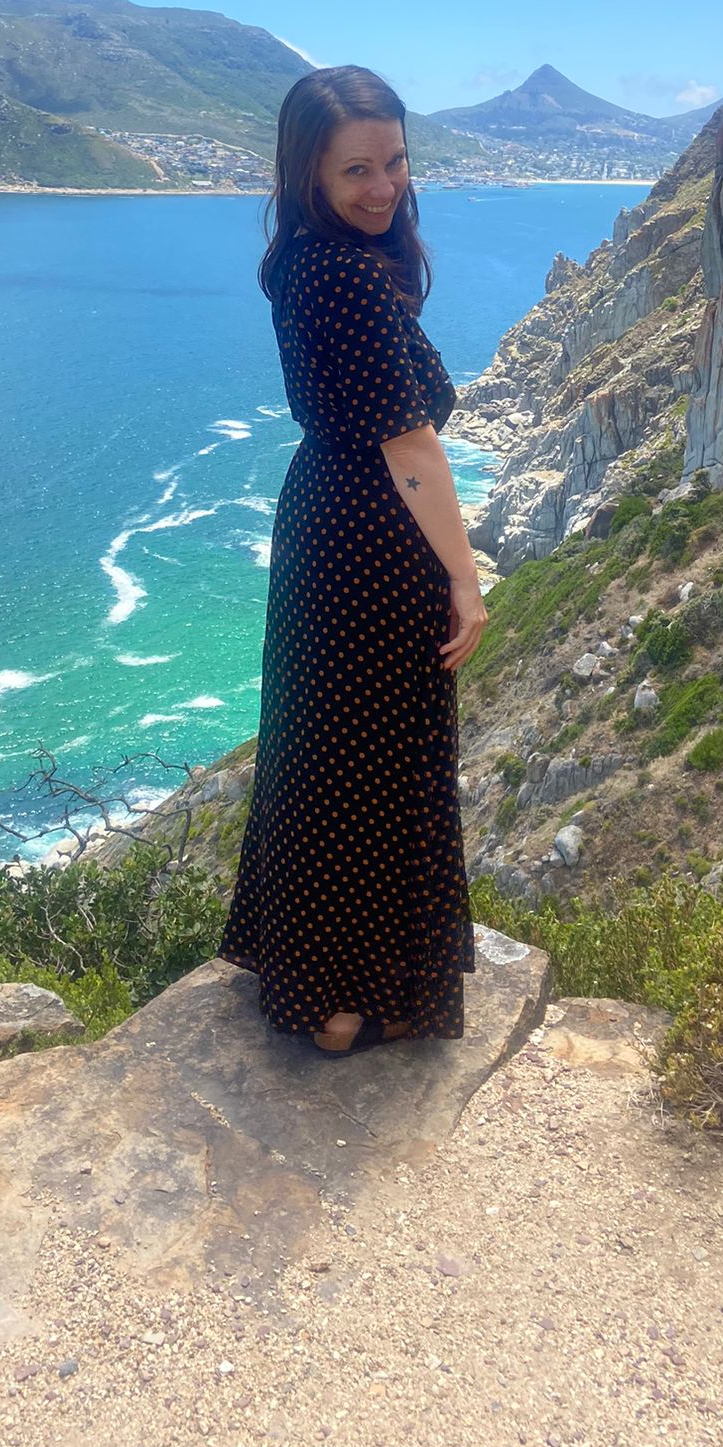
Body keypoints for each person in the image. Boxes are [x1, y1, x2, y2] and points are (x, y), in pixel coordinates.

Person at [214, 65, 488, 1055]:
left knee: (322, 753)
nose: (383, 187)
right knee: (386, 762)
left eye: (397, 162)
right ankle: (352, 996)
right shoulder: (355, 274)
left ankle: (316, 981)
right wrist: (465, 575)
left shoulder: (301, 259)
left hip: (322, 524)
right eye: (357, 169)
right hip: (378, 537)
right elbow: (413, 449)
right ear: (309, 171)